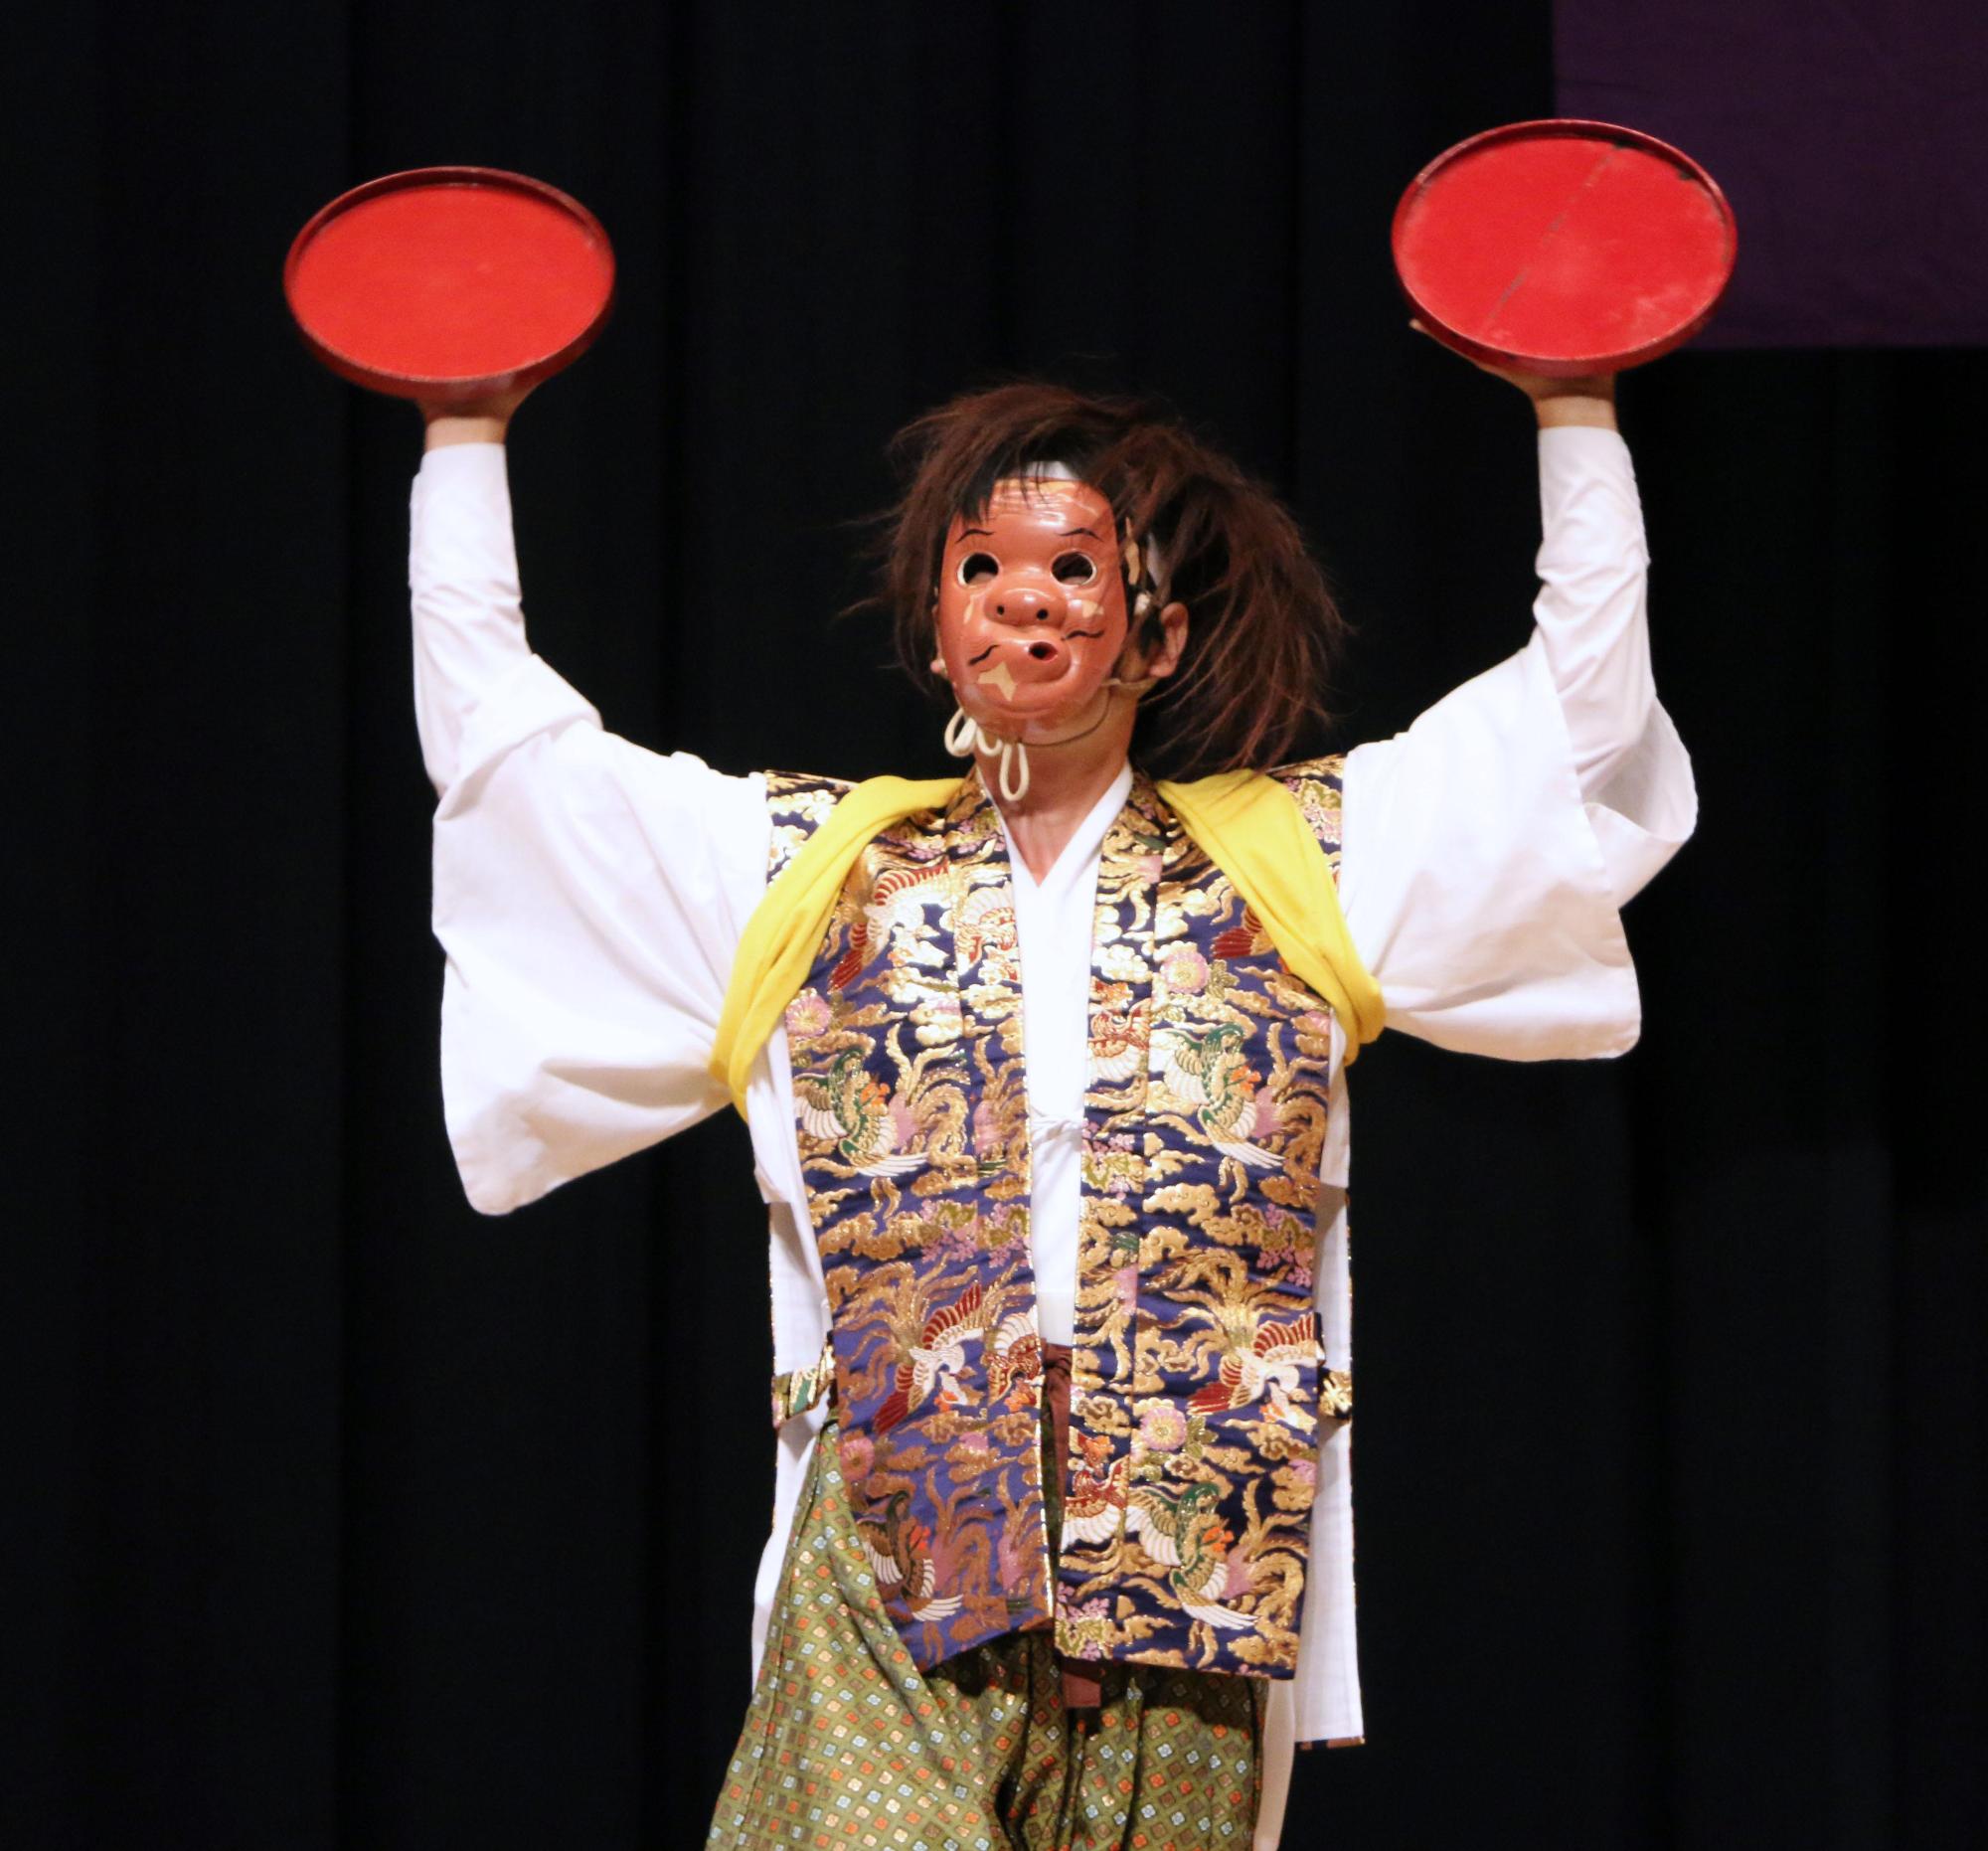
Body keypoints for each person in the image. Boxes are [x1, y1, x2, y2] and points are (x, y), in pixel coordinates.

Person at [408, 345, 1695, 1850]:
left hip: (1186, 1561)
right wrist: (462, 427)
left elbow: (1582, 726)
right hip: (901, 1548)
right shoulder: (802, 873)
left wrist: (1576, 408)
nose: (1024, 596)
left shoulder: (1299, 865)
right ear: (937, 621)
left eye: (1074, 563)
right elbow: (505, 749)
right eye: (983, 563)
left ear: (1157, 637)